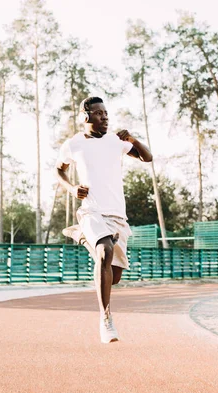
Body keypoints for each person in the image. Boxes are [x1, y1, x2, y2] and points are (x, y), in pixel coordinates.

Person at [56, 96, 152, 343]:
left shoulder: (115, 141)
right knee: (104, 251)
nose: (105, 118)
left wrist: (132, 139)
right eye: (99, 114)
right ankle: (106, 318)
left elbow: (147, 157)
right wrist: (70, 188)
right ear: (86, 116)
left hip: (117, 215)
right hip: (92, 211)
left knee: (115, 275)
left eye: (107, 114)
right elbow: (60, 169)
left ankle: (81, 235)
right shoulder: (74, 144)